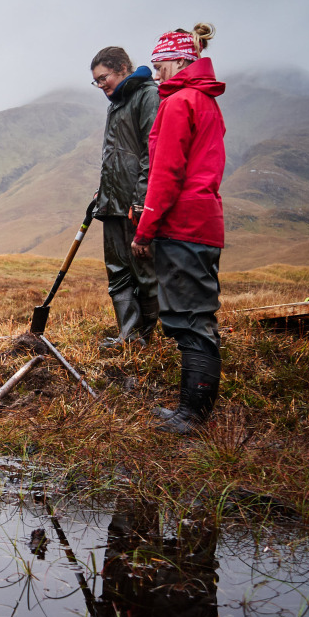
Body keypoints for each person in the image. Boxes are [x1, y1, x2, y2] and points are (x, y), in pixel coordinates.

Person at [132, 24, 226, 435]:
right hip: (203, 221)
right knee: (196, 318)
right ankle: (189, 411)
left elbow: (166, 173)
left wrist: (144, 230)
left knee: (191, 321)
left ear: (182, 60)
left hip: (182, 224)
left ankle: (192, 417)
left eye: (160, 64)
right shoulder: (205, 102)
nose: (156, 73)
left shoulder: (179, 102)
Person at [91, 45, 160, 349]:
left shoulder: (148, 96)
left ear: (121, 67)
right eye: (96, 80)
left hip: (135, 204)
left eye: (103, 77)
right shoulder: (115, 104)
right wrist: (103, 190)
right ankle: (129, 337)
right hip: (112, 203)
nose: (100, 84)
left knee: (145, 273)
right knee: (117, 272)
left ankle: (150, 337)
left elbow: (150, 152)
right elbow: (116, 156)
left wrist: (141, 200)